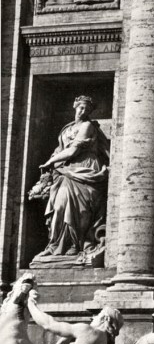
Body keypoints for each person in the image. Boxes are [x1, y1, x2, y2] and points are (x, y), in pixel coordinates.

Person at [30, 96, 109, 261]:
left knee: (79, 210)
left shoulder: (88, 126)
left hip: (84, 168)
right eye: (81, 108)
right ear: (75, 107)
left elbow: (73, 151)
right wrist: (50, 167)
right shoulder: (67, 129)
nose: (83, 112)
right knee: (59, 207)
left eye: (87, 110)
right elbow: (60, 149)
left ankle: (74, 245)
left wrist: (51, 161)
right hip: (65, 171)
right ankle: (55, 246)